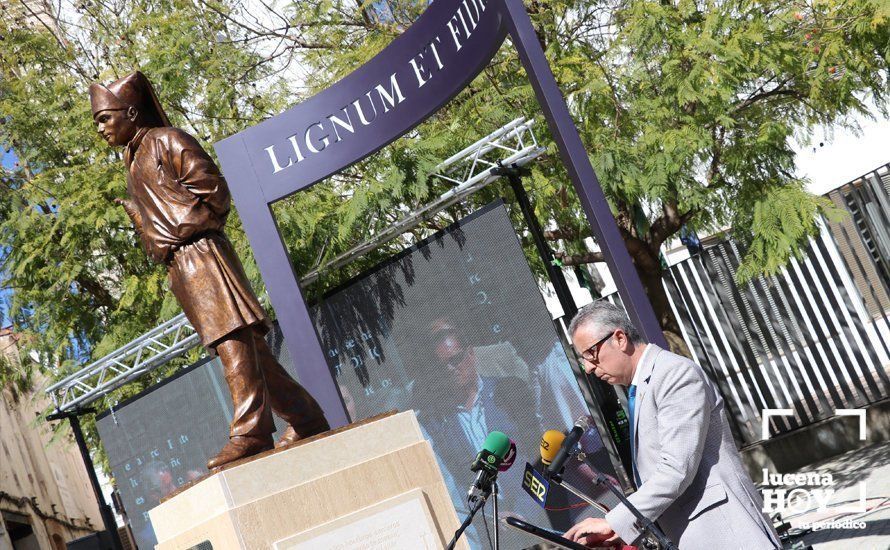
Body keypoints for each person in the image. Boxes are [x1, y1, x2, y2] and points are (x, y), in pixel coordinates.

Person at [89, 71, 329, 469]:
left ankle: (250, 432)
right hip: (181, 263)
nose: (100, 128)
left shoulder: (167, 140)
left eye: (105, 117)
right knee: (251, 353)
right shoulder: (132, 159)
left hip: (201, 253)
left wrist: (175, 230)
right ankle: (306, 418)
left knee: (231, 339)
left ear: (131, 111)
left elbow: (215, 192)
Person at [563, 302, 780, 549]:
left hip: (725, 534)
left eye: (590, 354)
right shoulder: (643, 386)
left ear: (620, 338)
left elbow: (676, 469)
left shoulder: (674, 374)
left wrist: (613, 521)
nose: (589, 368)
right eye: (583, 361)